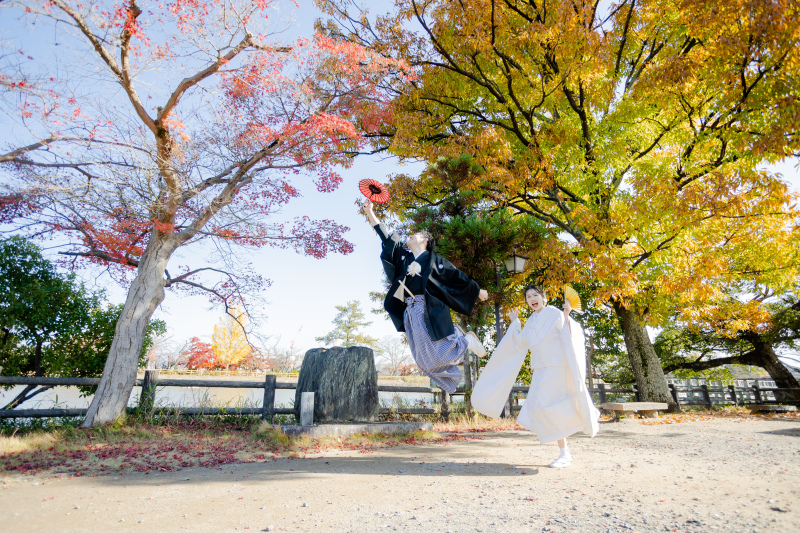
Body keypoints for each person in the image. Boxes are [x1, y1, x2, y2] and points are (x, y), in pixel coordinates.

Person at [361, 198, 489, 393]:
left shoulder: (434, 260)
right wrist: (370, 213)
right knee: (423, 360)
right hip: (409, 311)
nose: (410, 236)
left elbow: (455, 276)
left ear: (425, 240)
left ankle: (466, 341)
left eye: (415, 235)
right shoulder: (404, 258)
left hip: (428, 307)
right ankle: (459, 346)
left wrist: (478, 291)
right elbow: (387, 239)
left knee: (439, 354)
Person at [471, 284, 600, 468]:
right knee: (541, 407)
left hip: (557, 368)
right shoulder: (531, 321)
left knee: (553, 408)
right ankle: (565, 452)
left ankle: (565, 453)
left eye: (535, 295)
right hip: (540, 370)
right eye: (528, 296)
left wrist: (567, 316)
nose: (532, 299)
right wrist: (515, 323)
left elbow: (570, 335)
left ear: (543, 297)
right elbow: (521, 342)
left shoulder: (555, 313)